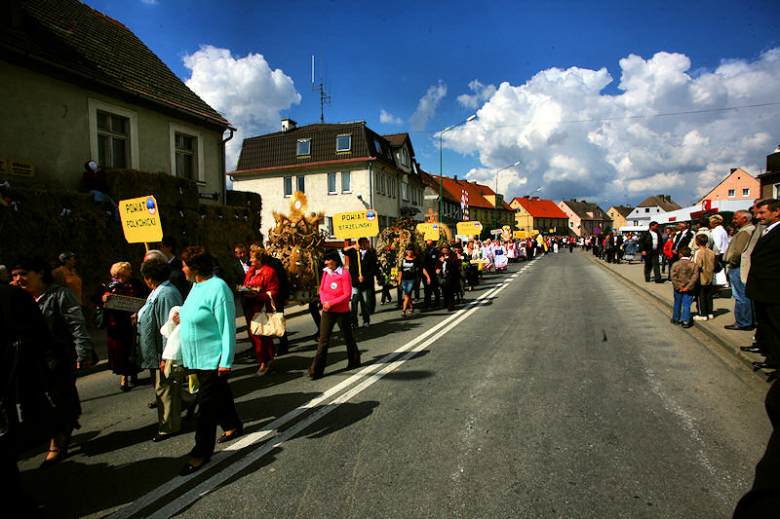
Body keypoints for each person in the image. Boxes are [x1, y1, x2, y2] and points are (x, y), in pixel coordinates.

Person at [10, 257, 94, 469]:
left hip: (57, 358)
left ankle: (57, 443)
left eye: (23, 274)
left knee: (57, 397)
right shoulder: (17, 297)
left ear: (39, 273)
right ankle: (66, 422)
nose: (19, 279)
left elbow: (76, 324)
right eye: (14, 275)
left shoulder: (59, 295)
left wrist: (82, 353)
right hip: (30, 359)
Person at [174, 246, 242, 476]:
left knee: (206, 408)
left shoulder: (218, 287)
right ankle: (233, 424)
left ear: (194, 267)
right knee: (219, 394)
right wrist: (180, 315)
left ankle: (201, 451)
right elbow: (193, 312)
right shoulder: (195, 286)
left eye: (183, 264)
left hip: (212, 359)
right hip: (196, 357)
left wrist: (226, 360)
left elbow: (227, 327)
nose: (181, 269)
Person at [137, 258, 190, 442]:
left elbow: (170, 328)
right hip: (155, 352)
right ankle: (191, 401)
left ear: (149, 278)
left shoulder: (166, 294)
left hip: (163, 351)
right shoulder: (156, 292)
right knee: (166, 387)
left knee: (164, 389)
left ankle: (169, 427)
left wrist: (167, 356)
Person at [94, 262, 148, 391]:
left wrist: (138, 313)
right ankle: (125, 377)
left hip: (132, 322)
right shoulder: (107, 285)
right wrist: (103, 299)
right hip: (115, 324)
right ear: (120, 271)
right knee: (121, 350)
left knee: (133, 348)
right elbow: (96, 300)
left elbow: (145, 298)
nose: (130, 271)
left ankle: (133, 372)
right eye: (127, 269)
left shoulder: (135, 284)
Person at [307, 251, 361, 380]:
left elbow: (347, 295)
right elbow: (321, 288)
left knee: (347, 337)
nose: (326, 263)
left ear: (335, 260)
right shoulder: (326, 272)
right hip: (327, 312)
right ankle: (316, 370)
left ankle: (354, 360)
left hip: (341, 312)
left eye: (328, 260)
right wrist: (324, 300)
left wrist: (331, 303)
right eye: (325, 261)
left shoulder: (344, 274)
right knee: (323, 340)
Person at [745, 199, 780, 372]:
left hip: (773, 289)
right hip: (762, 289)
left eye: (762, 213)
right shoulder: (766, 230)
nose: (758, 216)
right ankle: (771, 357)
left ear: (777, 212)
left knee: (776, 327)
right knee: (765, 324)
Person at [242, 244, 279, 376]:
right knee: (253, 334)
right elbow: (247, 284)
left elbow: (273, 291)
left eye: (252, 258)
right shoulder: (251, 271)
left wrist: (259, 295)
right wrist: (244, 290)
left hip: (262, 307)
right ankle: (264, 359)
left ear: (259, 259)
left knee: (263, 335)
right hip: (251, 306)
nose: (250, 260)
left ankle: (265, 362)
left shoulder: (269, 272)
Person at [724, 210, 756, 331]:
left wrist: (732, 263)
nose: (733, 221)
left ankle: (743, 321)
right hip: (741, 267)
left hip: (738, 268)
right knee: (744, 295)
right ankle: (749, 320)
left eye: (736, 218)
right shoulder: (749, 230)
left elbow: (738, 251)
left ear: (744, 219)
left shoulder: (744, 232)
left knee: (740, 296)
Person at [344, 237, 376, 328]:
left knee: (365, 302)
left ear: (367, 243)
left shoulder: (371, 254)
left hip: (366, 283)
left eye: (364, 243)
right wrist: (353, 247)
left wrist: (364, 278)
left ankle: (366, 320)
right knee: (354, 301)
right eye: (361, 243)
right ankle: (354, 322)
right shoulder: (354, 253)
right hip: (355, 282)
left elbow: (373, 269)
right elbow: (344, 250)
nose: (363, 245)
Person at [670, 246, 698, 328]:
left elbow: (673, 277)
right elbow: (694, 277)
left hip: (678, 288)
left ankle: (676, 318)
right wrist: (688, 286)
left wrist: (678, 286)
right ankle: (685, 320)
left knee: (677, 303)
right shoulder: (693, 265)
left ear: (680, 254)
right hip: (689, 288)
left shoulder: (676, 264)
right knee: (687, 304)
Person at [399, 247, 427, 317]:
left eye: (411, 250)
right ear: (406, 251)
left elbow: (422, 268)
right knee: (408, 295)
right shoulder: (403, 260)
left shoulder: (416, 260)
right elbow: (401, 270)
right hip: (404, 279)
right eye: (408, 250)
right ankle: (411, 307)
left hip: (411, 279)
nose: (410, 252)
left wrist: (428, 277)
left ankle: (403, 310)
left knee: (407, 295)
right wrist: (399, 280)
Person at [692, 234, 716, 321]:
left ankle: (702, 314)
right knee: (709, 295)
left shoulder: (698, 252)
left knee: (700, 296)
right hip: (710, 276)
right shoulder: (711, 252)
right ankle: (710, 312)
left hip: (701, 277)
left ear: (697, 242)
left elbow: (698, 264)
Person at [436, 245, 461, 311]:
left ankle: (451, 305)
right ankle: (445, 303)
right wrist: (437, 268)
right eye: (443, 250)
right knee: (444, 291)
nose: (444, 252)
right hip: (443, 275)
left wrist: (446, 260)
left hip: (451, 275)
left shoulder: (453, 255)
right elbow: (437, 263)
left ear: (449, 250)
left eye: (446, 250)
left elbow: (454, 262)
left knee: (450, 291)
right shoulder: (440, 255)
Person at [422, 240, 440, 309]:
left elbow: (439, 261)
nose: (429, 245)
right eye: (428, 244)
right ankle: (427, 303)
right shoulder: (424, 252)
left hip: (434, 272)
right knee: (427, 289)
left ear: (433, 244)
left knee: (435, 287)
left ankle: (437, 302)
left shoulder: (436, 252)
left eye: (430, 244)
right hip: (426, 272)